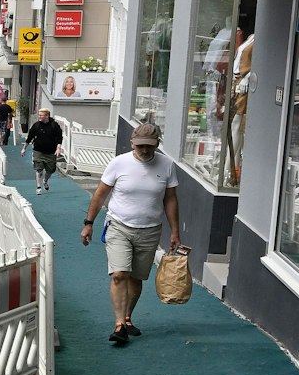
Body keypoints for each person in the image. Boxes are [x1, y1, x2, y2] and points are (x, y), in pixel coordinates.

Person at [80, 122, 182, 346]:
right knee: (119, 274)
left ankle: (127, 318)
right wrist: (89, 223)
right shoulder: (119, 163)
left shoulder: (166, 165)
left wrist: (175, 231)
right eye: (140, 146)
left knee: (136, 278)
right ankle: (118, 326)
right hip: (119, 226)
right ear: (132, 143)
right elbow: (100, 195)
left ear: (157, 145)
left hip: (150, 230)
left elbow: (170, 199)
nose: (145, 150)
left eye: (150, 146)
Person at [24, 108, 64, 194]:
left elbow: (59, 138)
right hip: (38, 151)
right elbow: (30, 137)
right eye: (39, 115)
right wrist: (24, 148)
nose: (39, 117)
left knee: (50, 171)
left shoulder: (54, 125)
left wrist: (58, 148)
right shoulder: (36, 125)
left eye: (41, 115)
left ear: (47, 116)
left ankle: (45, 181)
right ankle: (38, 187)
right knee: (39, 169)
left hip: (51, 152)